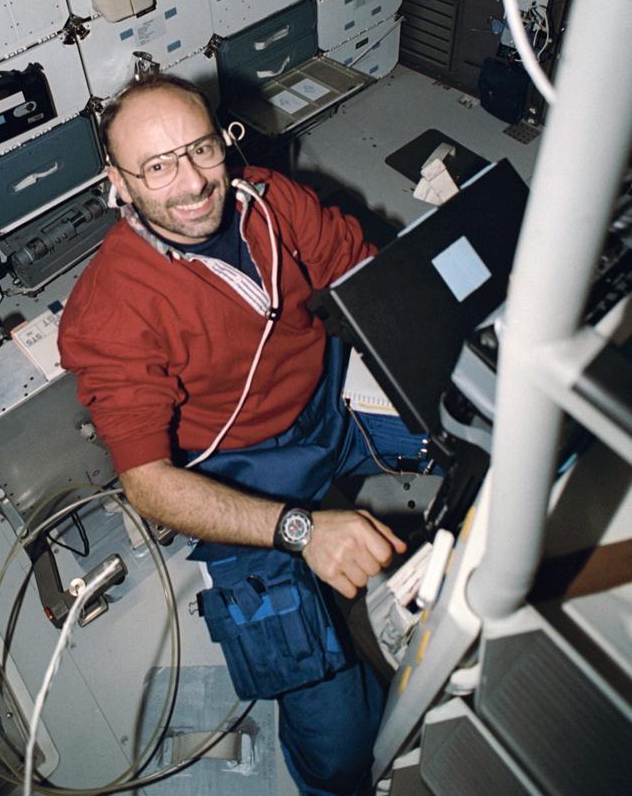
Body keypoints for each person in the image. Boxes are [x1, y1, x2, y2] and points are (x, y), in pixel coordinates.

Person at [58, 74, 430, 795]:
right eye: (157, 167)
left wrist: (446, 341)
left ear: (225, 139)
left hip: (332, 401)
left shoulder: (269, 198)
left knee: (506, 423)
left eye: (200, 149)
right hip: (237, 475)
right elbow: (149, 485)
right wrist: (302, 531)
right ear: (119, 184)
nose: (194, 184)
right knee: (346, 751)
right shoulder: (109, 310)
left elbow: (364, 273)